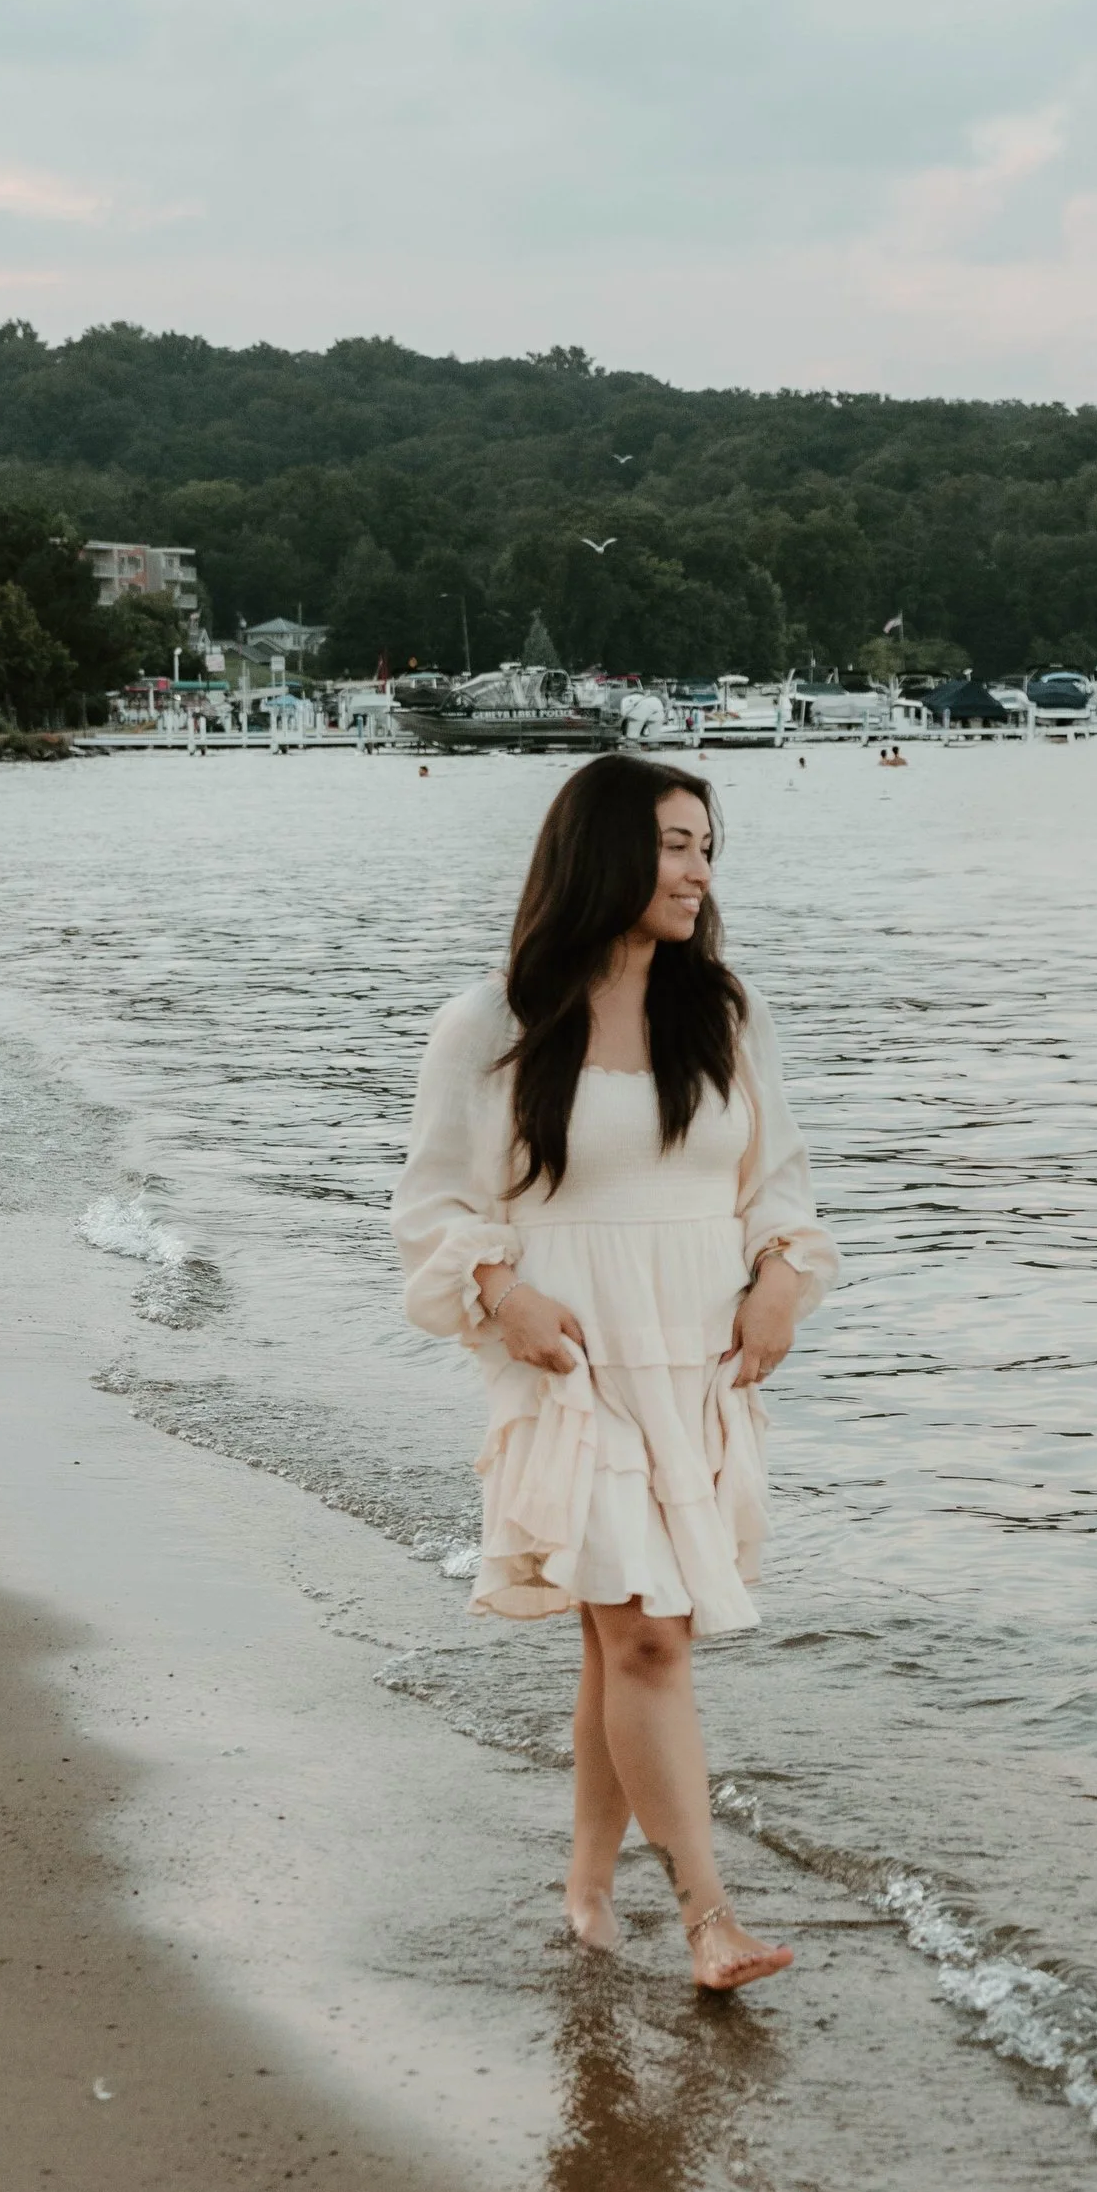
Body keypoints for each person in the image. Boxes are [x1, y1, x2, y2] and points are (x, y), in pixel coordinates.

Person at [394, 753, 838, 1994]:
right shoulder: (494, 1021)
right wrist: (504, 1293)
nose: (701, 871)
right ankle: (709, 1917)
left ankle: (588, 1896)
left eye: (708, 847)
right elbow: (433, 1214)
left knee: (620, 1640)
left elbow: (781, 1191)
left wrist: (780, 1285)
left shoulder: (724, 1015)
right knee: (645, 1637)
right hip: (569, 1370)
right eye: (678, 844)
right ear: (605, 854)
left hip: (696, 1364)